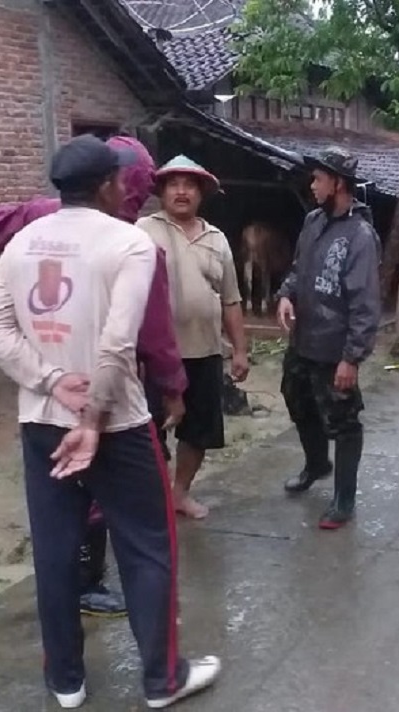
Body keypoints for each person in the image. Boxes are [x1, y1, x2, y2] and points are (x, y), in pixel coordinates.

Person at [0, 135, 186, 619]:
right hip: (108, 400)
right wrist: (174, 387)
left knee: (59, 505)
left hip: (44, 401)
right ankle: (108, 601)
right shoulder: (135, 248)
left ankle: (68, 622)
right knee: (127, 510)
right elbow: (151, 336)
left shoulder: (37, 225)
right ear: (119, 186)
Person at [0, 134, 219, 708]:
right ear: (111, 184)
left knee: (55, 550)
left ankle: (66, 681)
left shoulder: (22, 242)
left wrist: (49, 381)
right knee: (148, 547)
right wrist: (92, 415)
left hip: (41, 424)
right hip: (118, 425)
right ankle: (162, 680)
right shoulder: (129, 244)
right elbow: (117, 342)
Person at [137, 155, 249, 520]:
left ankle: (179, 494)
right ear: (162, 191)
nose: (182, 192)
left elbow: (231, 299)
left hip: (204, 352)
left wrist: (240, 351)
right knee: (149, 429)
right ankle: (151, 497)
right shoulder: (143, 230)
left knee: (198, 430)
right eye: (174, 184)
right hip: (152, 356)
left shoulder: (216, 239)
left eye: (189, 185)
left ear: (201, 193)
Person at [276, 147, 381, 530]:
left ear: (338, 183)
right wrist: (287, 293)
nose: (313, 184)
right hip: (303, 338)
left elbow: (366, 303)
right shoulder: (312, 222)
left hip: (335, 347)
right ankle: (317, 463)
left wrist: (351, 358)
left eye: (319, 178)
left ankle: (344, 499)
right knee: (296, 399)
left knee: (344, 421)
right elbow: (297, 267)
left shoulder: (360, 236)